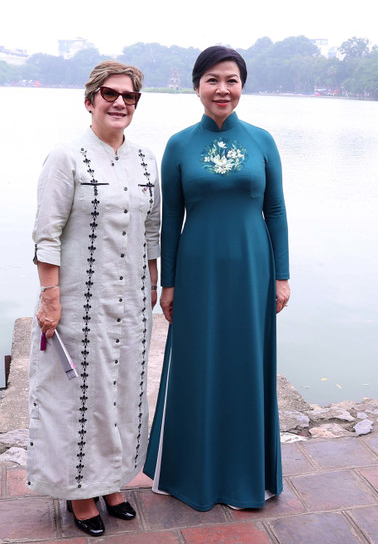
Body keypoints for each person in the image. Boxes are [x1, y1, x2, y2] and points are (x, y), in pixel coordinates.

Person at [144, 46, 290, 511]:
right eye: (212, 80)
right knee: (197, 363)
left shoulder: (262, 141)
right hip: (198, 269)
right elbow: (170, 220)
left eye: (231, 80)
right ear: (196, 86)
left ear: (242, 86)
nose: (222, 89)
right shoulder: (179, 144)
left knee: (247, 364)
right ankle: (191, 472)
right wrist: (169, 283)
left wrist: (282, 276)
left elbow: (276, 211)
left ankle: (249, 476)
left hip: (253, 269)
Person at [28, 61, 161, 537]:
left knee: (123, 392)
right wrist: (49, 296)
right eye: (110, 94)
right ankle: (79, 493)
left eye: (129, 96)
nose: (120, 102)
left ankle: (111, 482)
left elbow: (152, 230)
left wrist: (152, 282)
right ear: (90, 101)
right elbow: (46, 234)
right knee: (78, 395)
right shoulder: (65, 157)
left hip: (130, 303)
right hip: (77, 299)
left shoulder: (146, 159)